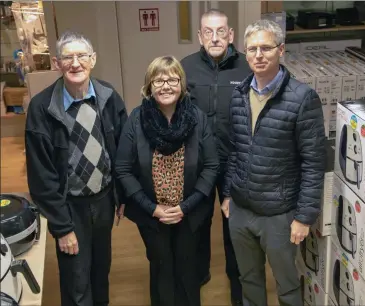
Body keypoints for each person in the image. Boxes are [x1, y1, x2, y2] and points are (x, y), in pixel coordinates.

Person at [221, 19, 326, 306]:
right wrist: (228, 192)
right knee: (248, 279)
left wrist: (304, 217)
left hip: (279, 215)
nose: (258, 55)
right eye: (252, 48)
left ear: (281, 50)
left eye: (265, 48)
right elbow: (235, 149)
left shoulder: (303, 98)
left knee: (287, 285)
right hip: (241, 210)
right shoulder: (239, 95)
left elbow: (314, 162)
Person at [25, 30, 128, 306]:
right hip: (70, 207)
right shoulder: (42, 108)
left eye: (82, 56)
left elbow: (122, 152)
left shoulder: (108, 96)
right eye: (67, 57)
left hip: (104, 200)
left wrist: (121, 195)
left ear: (93, 59)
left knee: (100, 271)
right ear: (57, 64)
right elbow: (41, 177)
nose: (75, 63)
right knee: (76, 279)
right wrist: (62, 227)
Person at [115, 55, 219, 306]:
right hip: (151, 212)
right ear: (149, 86)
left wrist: (185, 206)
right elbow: (123, 168)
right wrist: (153, 209)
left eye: (172, 79)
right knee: (161, 265)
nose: (166, 86)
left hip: (190, 211)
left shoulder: (197, 117)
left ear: (182, 85)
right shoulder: (137, 119)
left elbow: (212, 165)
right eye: (158, 80)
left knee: (187, 266)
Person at [180, 9, 251, 305]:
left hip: (235, 162)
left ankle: (238, 283)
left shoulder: (247, 67)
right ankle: (198, 275)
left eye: (221, 31)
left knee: (234, 225)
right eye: (208, 31)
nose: (215, 37)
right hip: (197, 164)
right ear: (199, 36)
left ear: (231, 35)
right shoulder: (185, 67)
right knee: (197, 222)